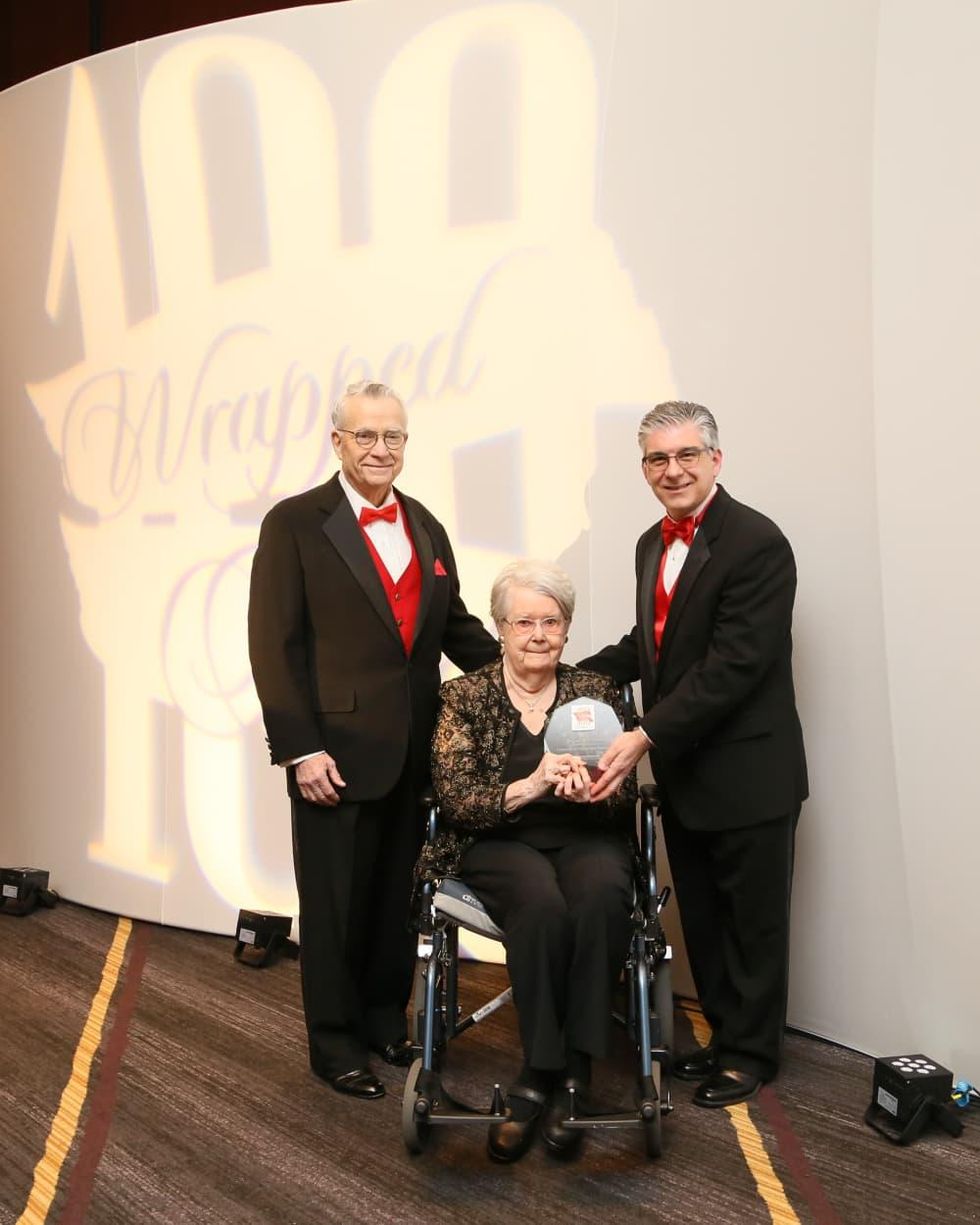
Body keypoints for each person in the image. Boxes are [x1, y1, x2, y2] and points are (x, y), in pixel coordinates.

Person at [248, 380, 498, 1101]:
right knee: (332, 905)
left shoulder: (424, 523)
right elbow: (274, 643)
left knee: (396, 899)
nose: (380, 448)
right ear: (338, 442)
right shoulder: (294, 522)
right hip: (333, 753)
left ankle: (386, 1018)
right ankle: (333, 1041)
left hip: (415, 750)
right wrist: (301, 749)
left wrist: (537, 675)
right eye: (365, 435)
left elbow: (457, 631)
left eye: (393, 436)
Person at [581, 401, 808, 1108]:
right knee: (705, 921)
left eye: (685, 455)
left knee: (754, 921)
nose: (671, 469)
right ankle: (723, 1037)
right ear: (644, 467)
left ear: (716, 458)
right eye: (657, 458)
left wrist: (644, 733)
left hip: (749, 773)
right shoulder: (652, 540)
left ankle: (750, 1054)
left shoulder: (757, 542)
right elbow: (651, 646)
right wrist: (562, 680)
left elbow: (733, 665)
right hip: (688, 774)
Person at [418, 559, 637, 1162]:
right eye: (524, 623)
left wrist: (592, 789)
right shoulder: (464, 697)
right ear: (500, 628)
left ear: (567, 628)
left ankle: (577, 1071)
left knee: (600, 895)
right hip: (498, 840)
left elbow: (624, 788)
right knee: (539, 903)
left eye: (551, 621)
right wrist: (533, 784)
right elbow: (456, 797)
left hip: (585, 833)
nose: (538, 635)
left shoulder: (597, 693)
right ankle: (539, 1070)